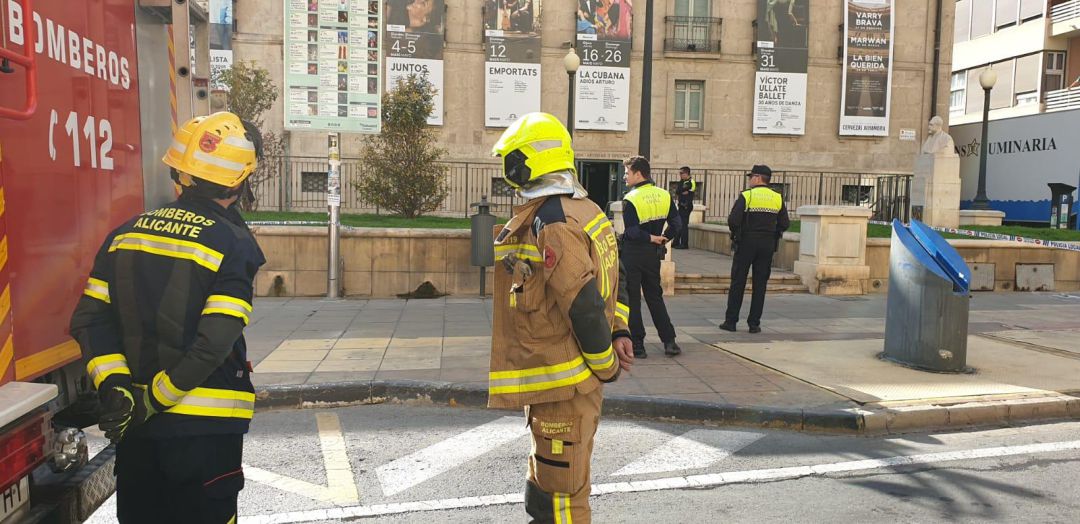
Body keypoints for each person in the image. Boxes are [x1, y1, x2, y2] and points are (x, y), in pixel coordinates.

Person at [71, 112, 265, 523]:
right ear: (239, 180)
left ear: (179, 173)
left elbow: (90, 320)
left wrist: (118, 387)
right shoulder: (232, 243)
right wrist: (153, 399)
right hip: (205, 435)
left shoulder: (126, 233)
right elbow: (214, 342)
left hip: (137, 434)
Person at [489, 112, 635, 523]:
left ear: (531, 161)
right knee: (550, 485)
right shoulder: (586, 209)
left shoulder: (552, 221)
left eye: (512, 160)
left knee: (563, 496)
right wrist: (620, 329)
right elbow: (614, 279)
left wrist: (605, 363)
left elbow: (584, 303)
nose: (508, 170)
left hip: (565, 383)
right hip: (565, 382)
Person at [620, 156, 681, 358]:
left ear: (638, 173)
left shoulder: (631, 199)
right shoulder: (664, 195)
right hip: (652, 255)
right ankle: (669, 341)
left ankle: (638, 345)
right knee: (655, 297)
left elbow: (632, 232)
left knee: (633, 299)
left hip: (633, 254)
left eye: (627, 173)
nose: (624, 177)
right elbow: (677, 224)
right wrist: (663, 239)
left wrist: (649, 237)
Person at [720, 164, 789, 334]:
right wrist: (773, 233)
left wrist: (737, 234)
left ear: (757, 178)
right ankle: (754, 324)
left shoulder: (747, 195)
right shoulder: (777, 197)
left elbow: (733, 220)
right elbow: (785, 223)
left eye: (751, 177)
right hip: (767, 244)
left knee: (738, 282)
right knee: (760, 285)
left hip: (746, 242)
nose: (750, 180)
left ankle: (731, 321)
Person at [673, 166, 696, 249]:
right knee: (679, 224)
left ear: (686, 173)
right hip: (681, 205)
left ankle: (684, 244)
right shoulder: (682, 181)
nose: (680, 175)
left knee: (684, 225)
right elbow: (678, 191)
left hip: (686, 206)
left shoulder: (691, 182)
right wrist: (682, 191)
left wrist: (684, 191)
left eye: (681, 173)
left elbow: (688, 190)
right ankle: (675, 242)